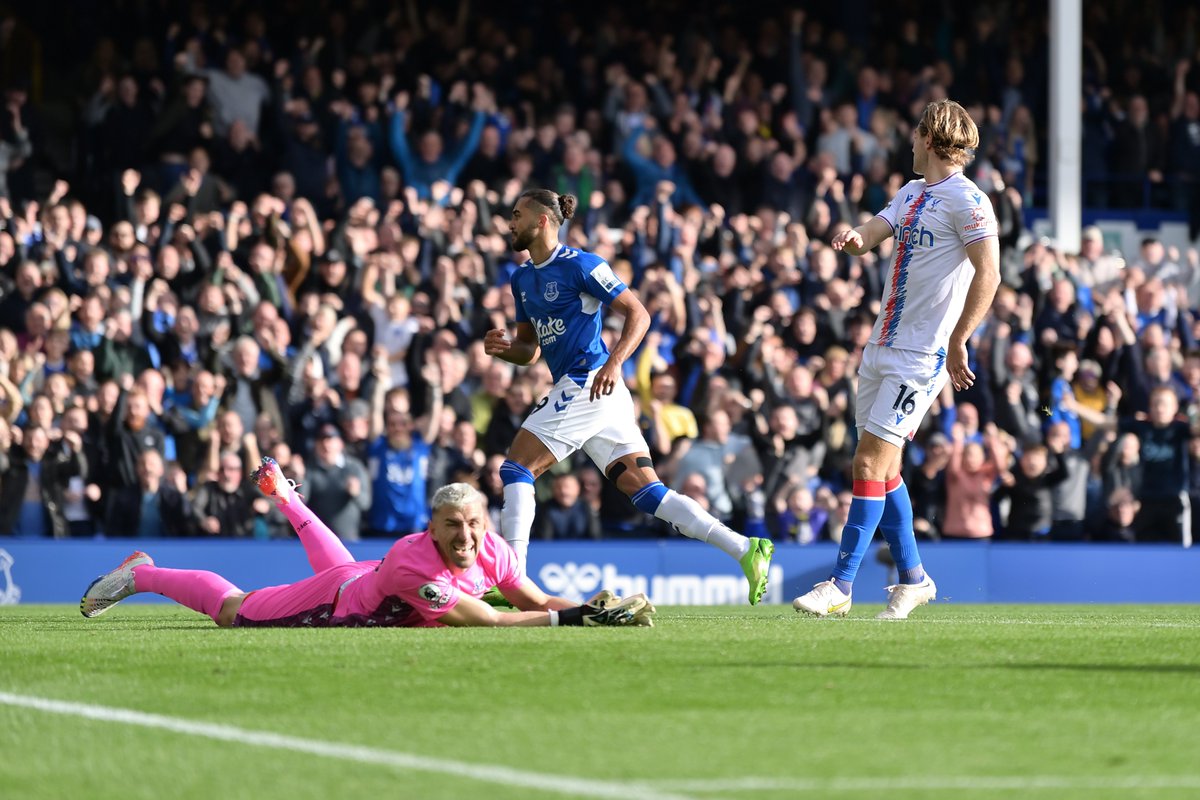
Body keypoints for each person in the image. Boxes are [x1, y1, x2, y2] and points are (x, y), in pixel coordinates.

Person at [483, 188, 773, 604]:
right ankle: (745, 549)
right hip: (594, 391)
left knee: (516, 469)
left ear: (542, 221)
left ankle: (515, 582)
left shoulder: (582, 265)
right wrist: (504, 347)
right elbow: (529, 351)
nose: (509, 222)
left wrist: (615, 362)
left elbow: (639, 313)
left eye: (515, 214)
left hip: (590, 381)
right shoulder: (522, 278)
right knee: (648, 492)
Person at [792, 99, 1001, 620]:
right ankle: (914, 579)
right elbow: (872, 234)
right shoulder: (910, 192)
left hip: (920, 355)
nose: (908, 141)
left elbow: (990, 274)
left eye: (914, 133)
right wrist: (854, 238)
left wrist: (958, 341)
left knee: (867, 461)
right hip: (881, 346)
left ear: (930, 139)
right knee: (883, 472)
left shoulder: (969, 201)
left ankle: (840, 586)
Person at [81, 459, 654, 629]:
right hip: (342, 604)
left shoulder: (492, 548)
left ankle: (286, 497)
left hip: (363, 575)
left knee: (346, 564)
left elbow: (531, 601)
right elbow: (489, 622)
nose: (466, 535)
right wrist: (578, 622)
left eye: (474, 524)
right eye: (453, 525)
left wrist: (589, 604)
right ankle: (144, 572)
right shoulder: (415, 563)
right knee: (234, 612)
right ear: (432, 527)